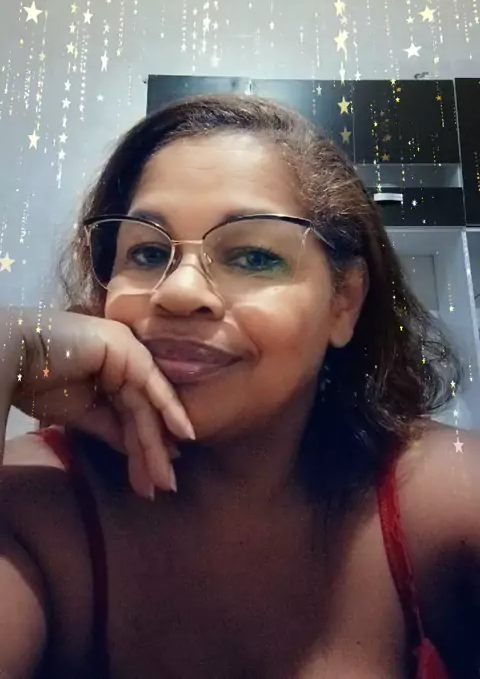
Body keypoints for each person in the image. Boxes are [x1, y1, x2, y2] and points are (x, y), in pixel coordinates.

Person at [0, 93, 479, 679]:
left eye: (252, 257)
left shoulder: (442, 497)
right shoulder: (35, 504)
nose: (178, 293)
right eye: (147, 252)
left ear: (344, 302)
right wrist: (6, 350)